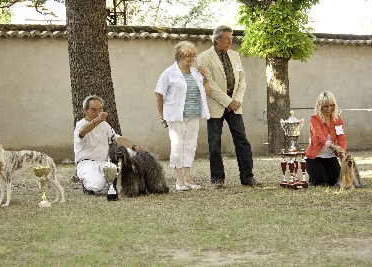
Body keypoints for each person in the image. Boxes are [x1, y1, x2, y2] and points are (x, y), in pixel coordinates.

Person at [197, 25, 261, 188]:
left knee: (242, 141)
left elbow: (242, 81)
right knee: (214, 143)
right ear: (217, 39)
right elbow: (209, 84)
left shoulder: (235, 56)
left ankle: (247, 177)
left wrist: (237, 100)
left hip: (235, 104)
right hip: (216, 103)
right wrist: (228, 102)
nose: (230, 42)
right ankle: (217, 178)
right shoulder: (204, 57)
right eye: (227, 38)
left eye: (231, 38)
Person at [155, 41, 211, 191]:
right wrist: (162, 116)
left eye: (193, 56)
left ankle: (188, 178)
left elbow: (206, 92)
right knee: (177, 146)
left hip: (194, 114)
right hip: (175, 116)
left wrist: (205, 77)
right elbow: (159, 94)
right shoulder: (169, 72)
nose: (191, 59)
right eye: (188, 56)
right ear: (179, 57)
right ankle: (178, 180)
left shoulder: (196, 72)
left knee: (190, 146)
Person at [74, 95, 142, 195]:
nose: (98, 113)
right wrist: (97, 120)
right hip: (87, 163)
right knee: (97, 186)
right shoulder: (81, 124)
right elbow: (82, 131)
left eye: (100, 109)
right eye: (94, 110)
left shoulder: (104, 124)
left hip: (105, 161)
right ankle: (86, 184)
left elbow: (116, 138)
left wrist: (133, 146)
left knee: (131, 153)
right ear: (85, 111)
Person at [305, 91, 346, 186]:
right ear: (320, 106)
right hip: (314, 158)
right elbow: (320, 137)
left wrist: (342, 151)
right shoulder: (314, 119)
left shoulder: (337, 119)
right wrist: (334, 147)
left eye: (332, 105)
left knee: (335, 182)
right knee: (322, 182)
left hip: (330, 157)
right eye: (325, 106)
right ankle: (314, 174)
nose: (329, 109)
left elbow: (341, 138)